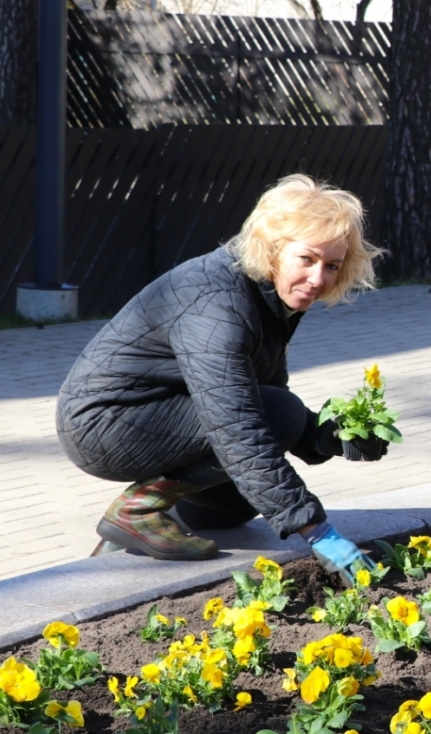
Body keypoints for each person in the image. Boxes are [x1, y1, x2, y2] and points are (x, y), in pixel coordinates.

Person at [56, 174, 382, 581]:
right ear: (273, 250)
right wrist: (317, 531)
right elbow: (239, 424)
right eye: (307, 259)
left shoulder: (265, 294)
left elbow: (259, 390)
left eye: (332, 265)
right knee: (275, 417)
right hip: (107, 425)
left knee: (231, 506)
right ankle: (137, 509)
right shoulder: (218, 303)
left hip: (152, 412)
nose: (319, 279)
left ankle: (123, 545)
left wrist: (323, 436)